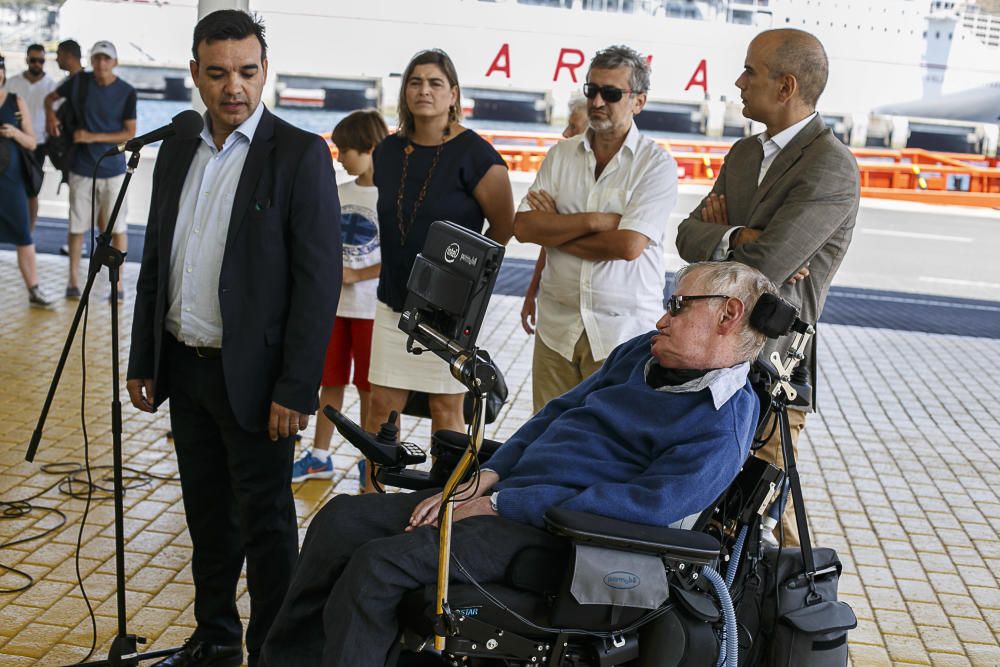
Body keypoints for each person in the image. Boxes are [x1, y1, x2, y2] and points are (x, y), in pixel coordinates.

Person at [260, 260, 777, 666]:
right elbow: (559, 412)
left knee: (379, 566)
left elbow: (643, 508)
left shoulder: (722, 422)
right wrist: (490, 473)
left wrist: (500, 503)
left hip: (563, 536)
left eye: (679, 305)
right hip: (509, 494)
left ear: (728, 315)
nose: (663, 317)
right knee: (340, 521)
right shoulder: (643, 353)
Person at [125, 10, 341, 667]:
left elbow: (317, 283)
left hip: (257, 380)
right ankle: (214, 636)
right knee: (207, 519)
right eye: (217, 74)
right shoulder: (176, 150)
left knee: (269, 524)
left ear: (264, 71)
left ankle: (278, 649)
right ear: (195, 73)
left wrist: (297, 386)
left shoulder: (299, 154)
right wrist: (144, 355)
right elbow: (157, 257)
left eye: (247, 72)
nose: (233, 88)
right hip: (185, 368)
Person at [675, 28, 860, 547]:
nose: (738, 81)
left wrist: (731, 242)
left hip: (774, 369)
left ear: (786, 86)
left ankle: (795, 618)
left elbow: (771, 262)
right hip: (712, 355)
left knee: (755, 517)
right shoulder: (742, 155)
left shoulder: (831, 166)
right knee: (716, 513)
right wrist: (736, 235)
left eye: (750, 71)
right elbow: (688, 236)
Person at [364, 48, 514, 490]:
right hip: (393, 301)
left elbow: (503, 228)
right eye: (415, 82)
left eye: (434, 83)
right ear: (404, 92)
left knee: (446, 414)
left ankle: (441, 507)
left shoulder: (476, 156)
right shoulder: (387, 151)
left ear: (453, 94)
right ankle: (369, 501)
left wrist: (467, 285)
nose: (423, 90)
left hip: (446, 314)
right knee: (379, 409)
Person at [513, 45, 678, 413]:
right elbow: (523, 227)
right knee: (546, 438)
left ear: (638, 101)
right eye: (592, 90)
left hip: (622, 336)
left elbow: (628, 246)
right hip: (557, 329)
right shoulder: (561, 155)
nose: (598, 101)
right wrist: (594, 221)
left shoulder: (656, 165)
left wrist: (555, 229)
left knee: (607, 449)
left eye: (612, 93)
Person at [292, 109, 388, 482]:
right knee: (329, 380)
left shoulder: (391, 198)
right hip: (333, 308)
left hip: (371, 309)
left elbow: (399, 258)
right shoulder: (338, 192)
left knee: (368, 388)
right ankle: (319, 454)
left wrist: (356, 274)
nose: (340, 157)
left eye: (345, 150)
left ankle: (370, 459)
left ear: (369, 147)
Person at [44, 40, 136, 300]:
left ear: (114, 62)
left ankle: (116, 285)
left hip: (114, 170)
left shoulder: (127, 91)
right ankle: (73, 281)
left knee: (118, 228)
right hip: (81, 168)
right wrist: (51, 117)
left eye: (106, 59)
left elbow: (129, 132)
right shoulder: (79, 82)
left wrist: (92, 137)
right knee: (76, 226)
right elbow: (50, 99)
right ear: (91, 60)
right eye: (97, 58)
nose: (101, 64)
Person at [520, 95, 588, 337]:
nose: (565, 133)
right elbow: (537, 236)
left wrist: (555, 222)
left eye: (573, 127)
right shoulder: (561, 168)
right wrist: (531, 292)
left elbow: (623, 245)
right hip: (556, 314)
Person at [0, 54, 55, 308]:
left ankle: (34, 289)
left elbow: (32, 142)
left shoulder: (14, 101)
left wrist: (14, 133)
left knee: (23, 234)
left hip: (11, 182)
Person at [5, 43, 57, 231]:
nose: (37, 64)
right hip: (11, 142)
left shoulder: (52, 86)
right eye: (33, 60)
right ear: (26, 59)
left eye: (41, 61)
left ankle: (29, 231)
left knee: (32, 190)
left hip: (38, 145)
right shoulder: (13, 82)